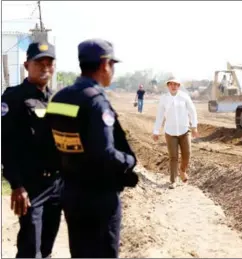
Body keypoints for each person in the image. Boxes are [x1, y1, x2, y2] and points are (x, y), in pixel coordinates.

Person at [44, 38, 139, 258]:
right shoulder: (96, 101)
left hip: (71, 193)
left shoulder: (60, 97)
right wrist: (128, 161)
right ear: (105, 64)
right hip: (99, 198)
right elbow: (104, 153)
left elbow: (51, 145)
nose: (112, 71)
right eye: (112, 65)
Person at [1, 41, 63, 258]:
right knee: (30, 250)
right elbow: (5, 143)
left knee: (46, 248)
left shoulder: (57, 100)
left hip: (56, 185)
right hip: (31, 186)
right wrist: (16, 185)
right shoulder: (13, 97)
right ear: (27, 65)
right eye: (39, 63)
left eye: (49, 63)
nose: (45, 67)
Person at [152, 77, 199, 189]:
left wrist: (194, 127)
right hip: (170, 132)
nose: (173, 86)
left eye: (176, 84)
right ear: (168, 86)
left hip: (184, 131)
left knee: (187, 154)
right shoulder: (164, 99)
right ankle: (173, 180)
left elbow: (192, 111)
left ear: (179, 86)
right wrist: (156, 131)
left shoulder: (184, 97)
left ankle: (182, 170)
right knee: (173, 157)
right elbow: (159, 116)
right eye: (171, 84)